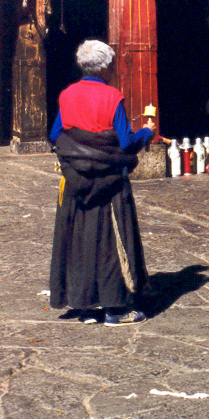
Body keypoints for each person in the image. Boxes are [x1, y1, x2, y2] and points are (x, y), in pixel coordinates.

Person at [50, 39, 155, 326]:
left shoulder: (67, 95)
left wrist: (83, 152)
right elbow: (125, 141)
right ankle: (115, 309)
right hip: (109, 183)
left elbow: (57, 133)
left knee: (80, 241)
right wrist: (146, 132)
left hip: (77, 182)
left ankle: (85, 307)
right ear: (105, 67)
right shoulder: (112, 97)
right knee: (111, 242)